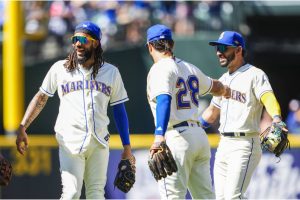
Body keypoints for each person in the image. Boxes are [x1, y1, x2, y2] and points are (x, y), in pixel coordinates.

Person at [16, 21, 134, 199]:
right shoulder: (60, 69)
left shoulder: (111, 72)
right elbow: (41, 97)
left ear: (95, 43)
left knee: (96, 194)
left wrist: (127, 147)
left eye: (83, 39)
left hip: (99, 142)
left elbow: (119, 109)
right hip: (70, 141)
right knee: (71, 193)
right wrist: (23, 126)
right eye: (75, 39)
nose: (78, 44)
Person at [145, 24, 231, 199]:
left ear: (150, 46)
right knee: (205, 196)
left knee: (173, 196)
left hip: (177, 137)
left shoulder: (160, 68)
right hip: (198, 136)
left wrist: (159, 136)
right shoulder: (190, 68)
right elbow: (214, 86)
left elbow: (164, 99)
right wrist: (226, 89)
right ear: (172, 44)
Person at [201, 31, 287, 199]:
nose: (219, 52)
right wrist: (192, 127)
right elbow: (211, 113)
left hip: (244, 144)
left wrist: (276, 118)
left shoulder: (255, 74)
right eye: (217, 47)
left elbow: (268, 97)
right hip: (224, 144)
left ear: (238, 50)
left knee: (233, 196)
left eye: (224, 48)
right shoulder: (223, 79)